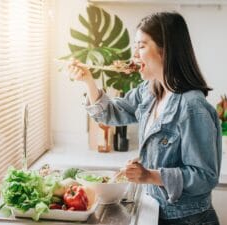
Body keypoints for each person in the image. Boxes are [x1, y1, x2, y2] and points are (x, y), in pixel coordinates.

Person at [67, 11, 222, 225]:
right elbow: (111, 113)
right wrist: (88, 81)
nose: (135, 55)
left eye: (141, 46)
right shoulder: (150, 91)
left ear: (166, 50)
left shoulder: (192, 107)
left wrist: (149, 175)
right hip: (157, 211)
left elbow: (204, 177)